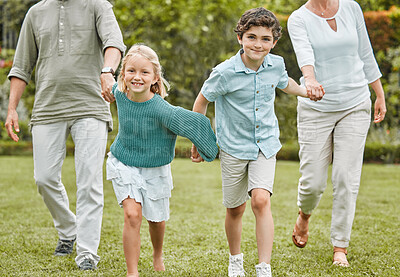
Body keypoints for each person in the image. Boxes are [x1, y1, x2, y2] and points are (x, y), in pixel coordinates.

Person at [191, 7, 323, 277]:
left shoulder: (275, 64)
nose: (258, 44)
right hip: (233, 148)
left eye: (266, 39)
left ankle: (264, 267)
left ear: (274, 42)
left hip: (265, 144)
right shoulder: (224, 72)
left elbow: (285, 84)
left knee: (261, 200)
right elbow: (202, 101)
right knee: (236, 208)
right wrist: (198, 137)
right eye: (252, 37)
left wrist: (306, 92)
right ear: (240, 37)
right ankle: (235, 259)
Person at [5, 0, 126, 270]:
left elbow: (114, 42)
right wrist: (12, 108)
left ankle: (86, 253)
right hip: (48, 106)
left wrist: (107, 71)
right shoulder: (36, 13)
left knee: (89, 181)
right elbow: (22, 65)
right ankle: (69, 228)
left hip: (90, 105)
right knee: (44, 178)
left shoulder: (98, 6)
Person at [103, 44, 219, 277]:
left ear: (155, 77)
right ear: (123, 73)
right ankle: (132, 272)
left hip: (155, 168)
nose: (137, 77)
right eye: (131, 71)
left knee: (156, 220)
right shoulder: (118, 94)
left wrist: (203, 147)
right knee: (132, 214)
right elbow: (103, 83)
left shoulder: (162, 109)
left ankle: (157, 254)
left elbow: (195, 123)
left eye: (144, 72)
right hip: (123, 161)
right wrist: (105, 74)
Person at [287, 0, 386, 267]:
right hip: (316, 107)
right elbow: (304, 55)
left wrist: (378, 92)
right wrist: (309, 79)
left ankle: (340, 246)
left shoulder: (351, 7)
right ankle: (304, 215)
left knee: (346, 177)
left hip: (355, 103)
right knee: (313, 182)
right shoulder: (298, 19)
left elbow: (365, 52)